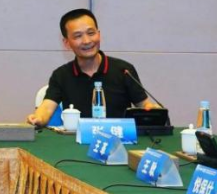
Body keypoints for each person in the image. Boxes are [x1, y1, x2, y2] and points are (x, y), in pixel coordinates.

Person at [26, 8, 155, 127]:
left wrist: (153, 109)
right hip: (76, 141)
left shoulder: (124, 70)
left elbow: (144, 105)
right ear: (67, 43)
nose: (87, 41)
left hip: (119, 139)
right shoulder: (61, 75)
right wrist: (38, 118)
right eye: (78, 36)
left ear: (99, 34)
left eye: (91, 33)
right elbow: (46, 108)